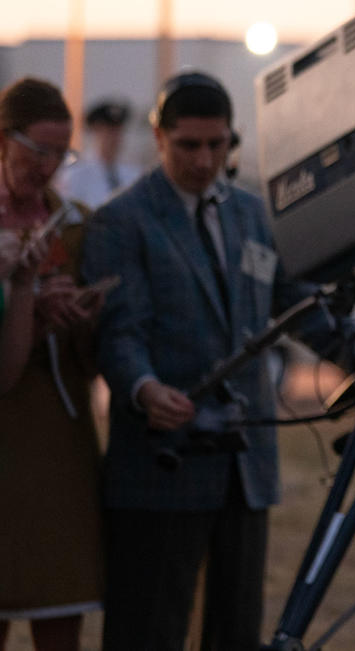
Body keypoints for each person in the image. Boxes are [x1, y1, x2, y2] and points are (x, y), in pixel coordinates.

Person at [81, 70, 335, 651]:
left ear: (232, 140)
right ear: (160, 137)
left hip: (244, 467)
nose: (204, 160)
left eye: (216, 145)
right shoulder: (122, 222)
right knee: (149, 630)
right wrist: (144, 389)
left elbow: (294, 302)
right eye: (189, 145)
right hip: (161, 464)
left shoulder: (251, 215)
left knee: (236, 630)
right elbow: (120, 332)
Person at [0, 77, 106, 651]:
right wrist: (24, 307)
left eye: (60, 153)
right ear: (2, 139)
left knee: (59, 600)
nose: (46, 166)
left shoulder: (76, 224)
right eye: (36, 149)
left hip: (57, 431)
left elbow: (94, 358)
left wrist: (82, 312)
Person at [55, 99, 141, 208]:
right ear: (95, 131)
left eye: (118, 131)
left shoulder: (133, 175)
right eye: (109, 131)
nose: (115, 138)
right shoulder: (76, 176)